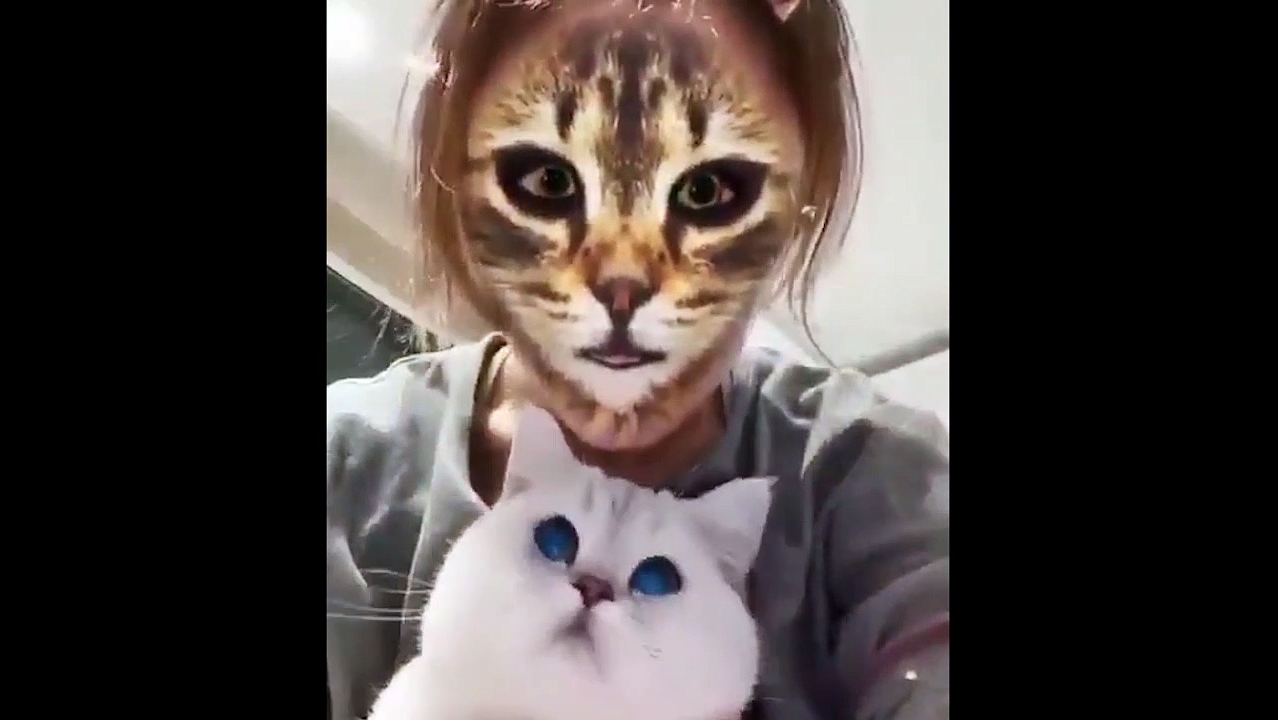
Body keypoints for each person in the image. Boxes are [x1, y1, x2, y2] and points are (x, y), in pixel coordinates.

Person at [325, 0, 950, 718]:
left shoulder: (879, 476)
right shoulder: (346, 465)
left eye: (709, 190)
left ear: (804, 197)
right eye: (548, 180)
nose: (622, 280)